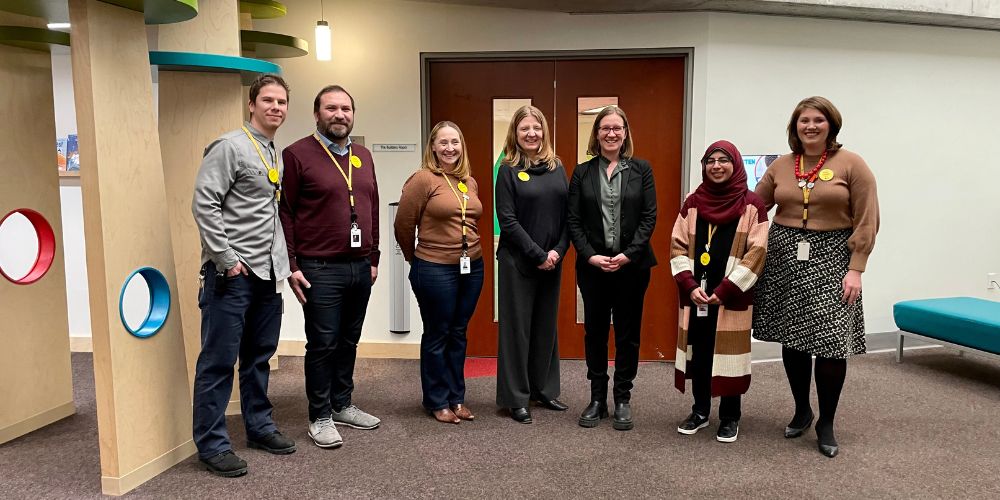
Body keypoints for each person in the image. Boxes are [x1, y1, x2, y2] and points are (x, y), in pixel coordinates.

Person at [753, 96, 879, 458]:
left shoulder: (852, 164)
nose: (810, 126)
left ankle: (826, 422)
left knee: (829, 342)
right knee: (792, 337)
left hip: (833, 257)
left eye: (818, 120)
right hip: (784, 256)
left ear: (831, 125)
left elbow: (867, 219)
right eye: (803, 120)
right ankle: (801, 410)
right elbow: (754, 206)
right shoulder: (782, 165)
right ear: (794, 127)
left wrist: (856, 268)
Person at [191, 73, 295, 477]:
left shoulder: (275, 153)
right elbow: (204, 205)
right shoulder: (229, 146)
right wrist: (227, 259)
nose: (275, 107)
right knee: (218, 361)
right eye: (268, 100)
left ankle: (260, 427)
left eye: (282, 102)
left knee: (258, 358)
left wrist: (283, 267)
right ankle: (213, 444)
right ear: (251, 104)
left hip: (268, 274)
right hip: (232, 275)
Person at [279, 85, 382, 449]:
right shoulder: (297, 154)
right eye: (331, 108)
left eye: (346, 109)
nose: (340, 115)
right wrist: (292, 264)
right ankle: (319, 415)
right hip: (319, 267)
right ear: (316, 113)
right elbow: (286, 213)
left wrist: (373, 257)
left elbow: (372, 204)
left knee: (349, 340)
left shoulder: (363, 156)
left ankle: (342, 404)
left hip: (359, 268)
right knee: (323, 343)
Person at [669, 140, 768, 443]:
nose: (716, 165)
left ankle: (730, 416)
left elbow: (757, 252)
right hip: (696, 295)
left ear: (735, 164)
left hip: (731, 297)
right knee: (698, 353)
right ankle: (700, 411)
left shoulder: (752, 205)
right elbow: (677, 244)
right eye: (710, 160)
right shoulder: (693, 201)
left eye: (723, 160)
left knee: (729, 354)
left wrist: (725, 289)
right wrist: (688, 283)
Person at [567, 106, 657, 431]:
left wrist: (628, 254)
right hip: (593, 268)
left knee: (627, 334)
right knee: (595, 333)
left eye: (617, 128)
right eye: (605, 128)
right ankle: (596, 399)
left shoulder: (642, 170)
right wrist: (589, 255)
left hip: (631, 268)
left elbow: (649, 217)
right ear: (597, 134)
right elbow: (573, 220)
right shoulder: (582, 172)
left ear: (625, 133)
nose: (611, 133)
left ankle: (622, 398)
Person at [394, 121, 484, 424]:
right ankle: (436, 399)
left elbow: (470, 222)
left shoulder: (467, 181)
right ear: (433, 146)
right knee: (438, 333)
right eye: (443, 142)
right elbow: (403, 225)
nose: (450, 148)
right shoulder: (423, 179)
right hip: (434, 268)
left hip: (471, 266)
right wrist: (416, 260)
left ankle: (456, 397)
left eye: (455, 142)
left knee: (458, 332)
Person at [494, 105, 570, 424]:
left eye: (536, 128)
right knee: (517, 330)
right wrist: (538, 254)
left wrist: (558, 251)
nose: (531, 133)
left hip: (553, 261)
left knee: (544, 327)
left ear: (544, 131)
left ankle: (543, 389)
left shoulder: (557, 167)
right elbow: (507, 220)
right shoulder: (508, 169)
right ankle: (516, 397)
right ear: (515, 132)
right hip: (518, 262)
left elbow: (569, 215)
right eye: (524, 128)